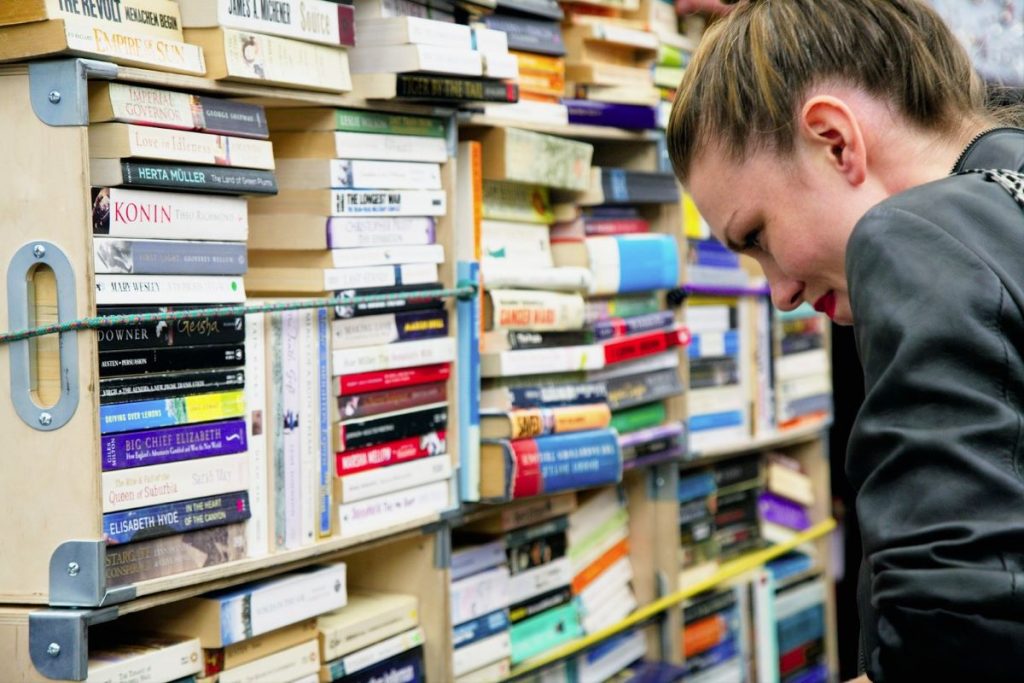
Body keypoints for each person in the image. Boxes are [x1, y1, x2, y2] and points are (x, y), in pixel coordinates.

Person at [666, 1, 1024, 681]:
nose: (779, 292)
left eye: (756, 237)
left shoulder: (918, 234)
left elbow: (954, 636)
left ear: (835, 140)